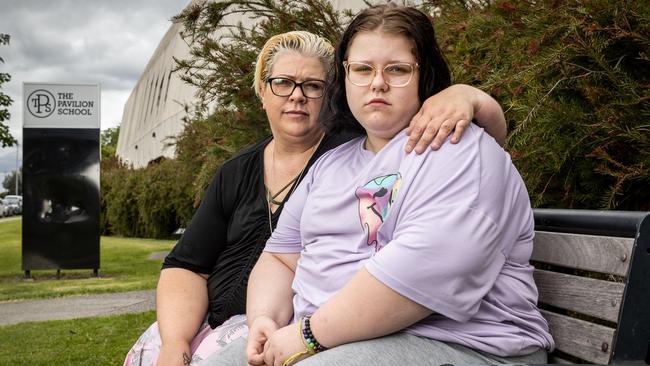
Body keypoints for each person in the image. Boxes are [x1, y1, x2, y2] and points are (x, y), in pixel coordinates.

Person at [124, 27, 509, 366]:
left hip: (409, 338)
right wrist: (260, 321)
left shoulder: (440, 144)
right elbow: (256, 259)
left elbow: (429, 258)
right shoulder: (314, 166)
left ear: (329, 94)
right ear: (262, 91)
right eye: (282, 83)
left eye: (312, 86)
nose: (297, 96)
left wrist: (470, 97)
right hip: (289, 329)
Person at [199, 4, 554, 366]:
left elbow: (425, 271)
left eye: (397, 70)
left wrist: (309, 334)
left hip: (464, 344)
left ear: (424, 76)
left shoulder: (461, 150)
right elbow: (280, 258)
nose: (377, 82)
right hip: (334, 341)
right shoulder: (329, 166)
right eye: (362, 69)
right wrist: (264, 319)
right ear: (345, 77)